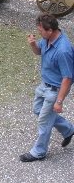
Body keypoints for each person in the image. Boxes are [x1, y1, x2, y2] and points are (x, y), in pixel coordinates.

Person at [20, 12, 74, 162]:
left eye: (40, 31)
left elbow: (67, 78)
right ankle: (68, 129)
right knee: (37, 110)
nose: (38, 33)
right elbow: (39, 52)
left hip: (55, 90)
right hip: (45, 85)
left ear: (50, 30)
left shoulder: (63, 50)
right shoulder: (48, 39)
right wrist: (33, 44)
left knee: (44, 121)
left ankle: (39, 152)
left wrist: (59, 101)